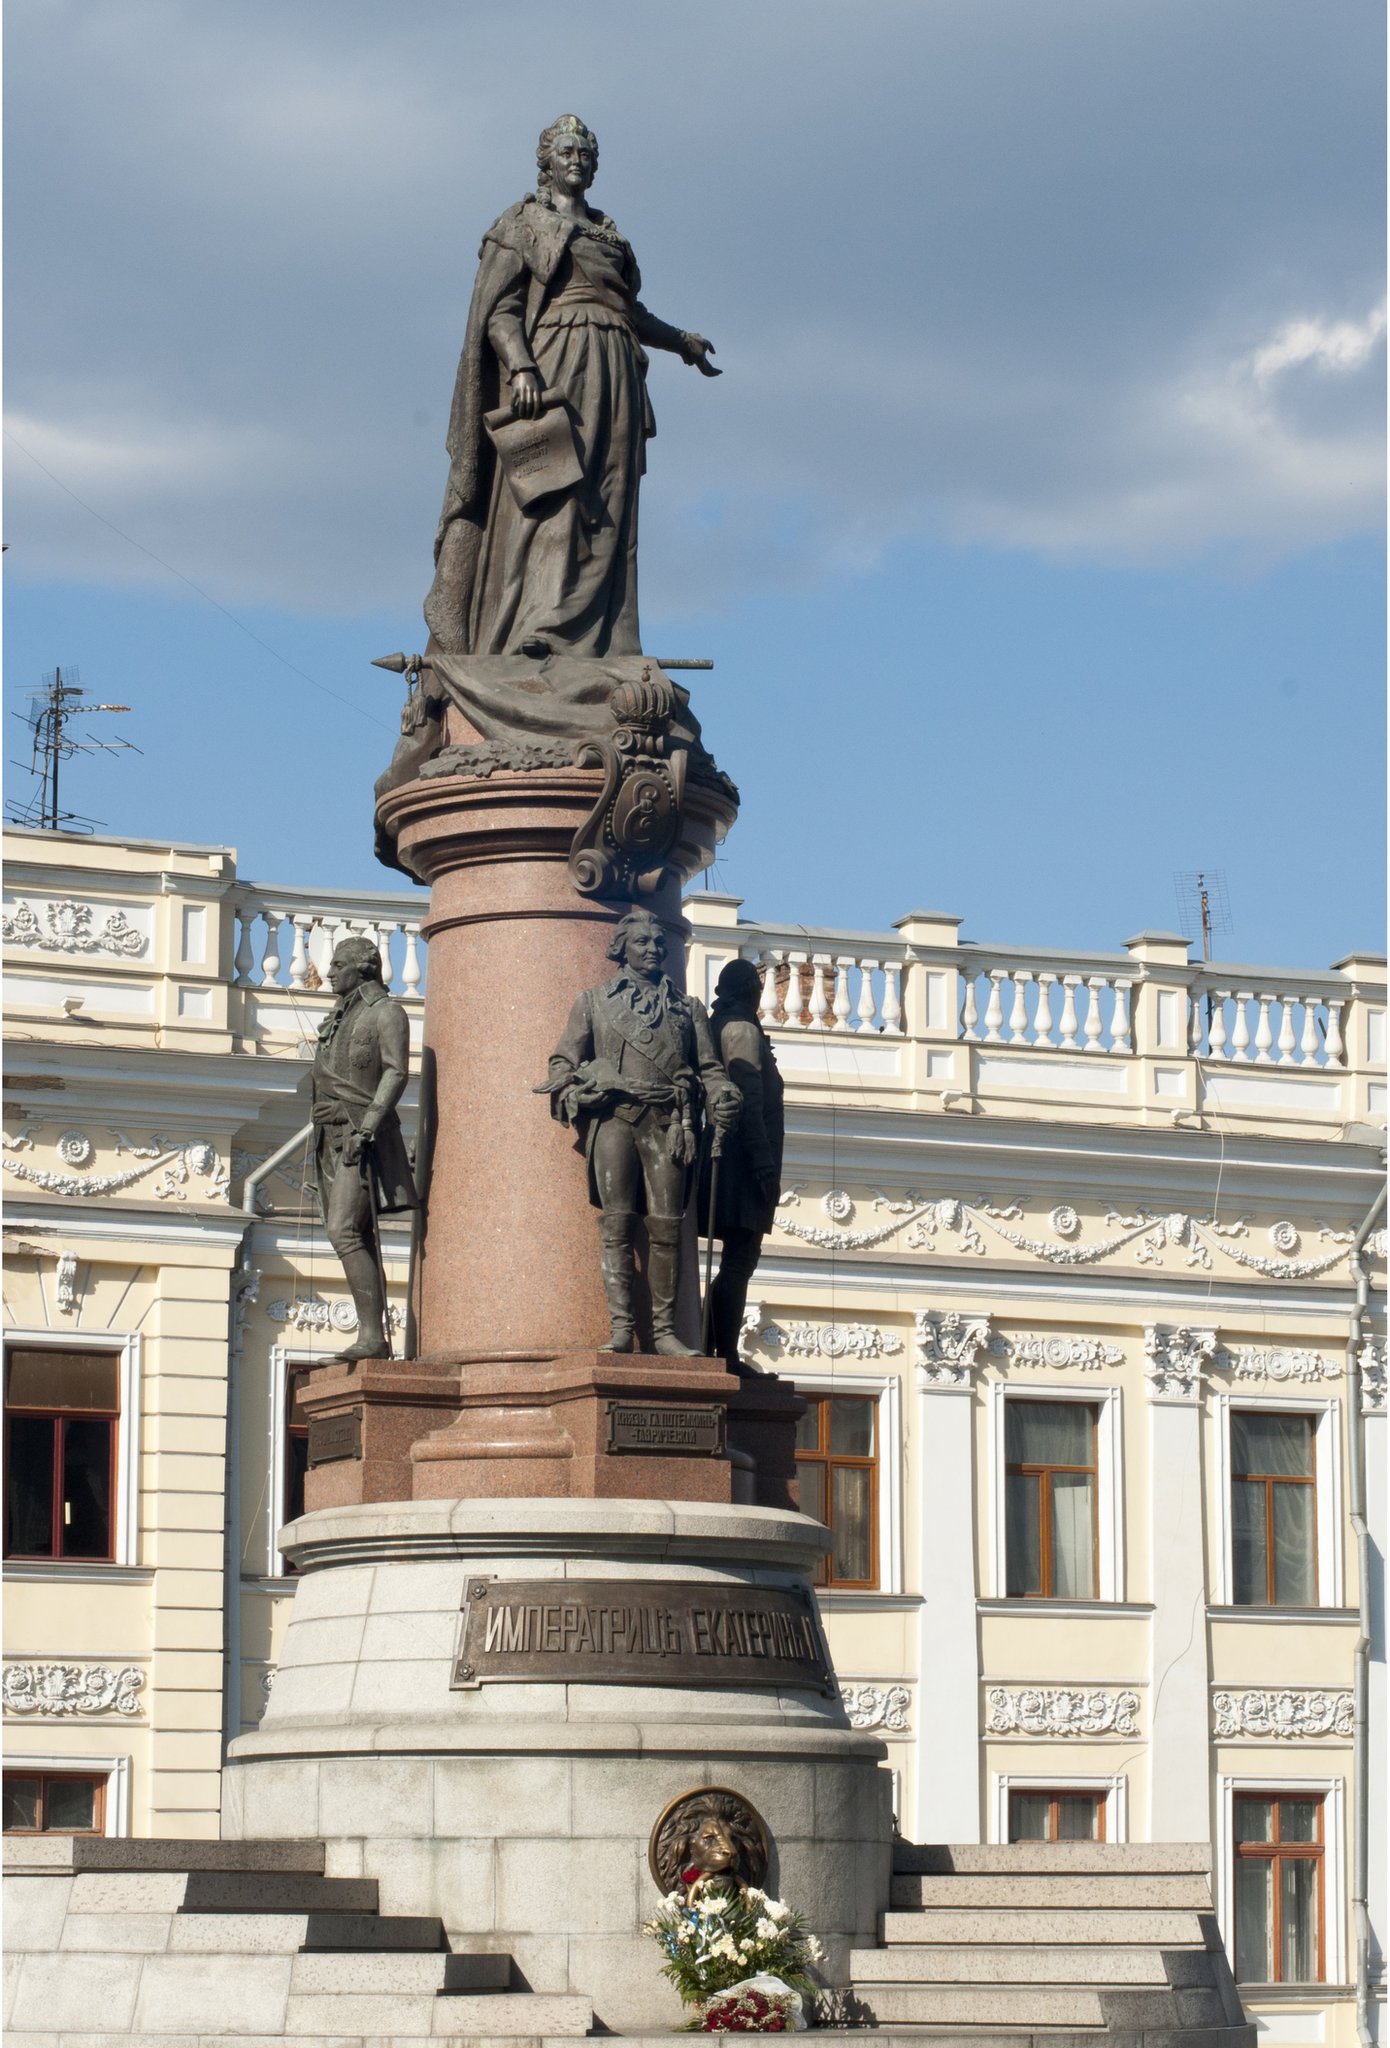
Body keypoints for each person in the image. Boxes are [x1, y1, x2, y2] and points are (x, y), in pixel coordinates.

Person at [424, 114, 720, 660]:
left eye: (585, 154)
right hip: (555, 365)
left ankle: (602, 640)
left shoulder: (608, 231)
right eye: (566, 152)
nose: (577, 160)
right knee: (553, 494)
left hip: (616, 372)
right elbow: (500, 311)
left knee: (607, 503)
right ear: (547, 162)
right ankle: (534, 629)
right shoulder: (521, 225)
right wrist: (520, 368)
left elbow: (629, 310)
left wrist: (681, 341)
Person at [541, 909, 739, 1355]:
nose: (653, 950)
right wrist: (578, 1090)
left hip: (668, 1123)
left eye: (658, 943)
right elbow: (561, 1064)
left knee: (668, 1227)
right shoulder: (593, 1002)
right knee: (617, 1225)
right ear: (622, 949)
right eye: (643, 943)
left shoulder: (687, 1009)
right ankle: (621, 1329)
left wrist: (723, 1093)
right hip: (615, 1120)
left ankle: (666, 1332)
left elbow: (709, 1069)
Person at [310, 938, 419, 1362]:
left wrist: (370, 1124)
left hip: (362, 1138)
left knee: (344, 1230)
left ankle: (373, 1336)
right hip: (331, 1138)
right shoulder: (338, 1017)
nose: (330, 972)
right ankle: (372, 1335)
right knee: (354, 1232)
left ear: (364, 968)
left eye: (338, 964)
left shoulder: (386, 1012)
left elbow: (396, 1071)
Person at [698, 959, 784, 1378]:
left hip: (728, 1156)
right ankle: (724, 1355)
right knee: (739, 1259)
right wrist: (764, 1166)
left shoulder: (719, 1027)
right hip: (741, 1162)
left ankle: (716, 1349)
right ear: (749, 990)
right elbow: (747, 1100)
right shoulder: (742, 1031)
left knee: (732, 1261)